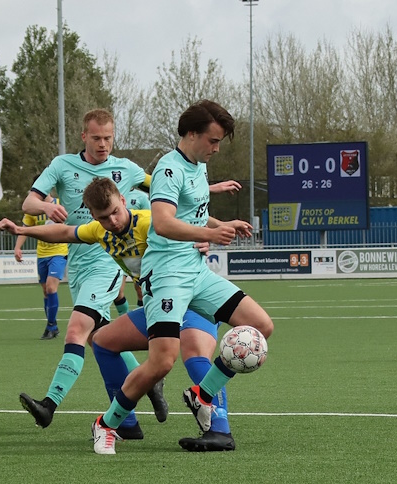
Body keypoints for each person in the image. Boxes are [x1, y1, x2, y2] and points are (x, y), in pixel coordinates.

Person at [0, 177, 237, 451]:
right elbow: (64, 233)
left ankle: (219, 429)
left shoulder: (148, 223)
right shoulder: (100, 232)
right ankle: (125, 422)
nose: (112, 221)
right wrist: (22, 230)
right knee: (103, 341)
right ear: (94, 217)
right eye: (103, 217)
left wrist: (205, 240)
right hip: (157, 306)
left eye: (114, 212)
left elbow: (185, 224)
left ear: (123, 201)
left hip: (190, 299)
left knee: (194, 353)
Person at [91, 99, 273, 455]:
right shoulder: (169, 169)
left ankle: (202, 394)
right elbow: (163, 222)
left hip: (195, 270)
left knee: (260, 326)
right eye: (213, 140)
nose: (217, 148)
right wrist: (210, 236)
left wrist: (221, 225)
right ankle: (105, 424)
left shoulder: (197, 166)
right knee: (161, 362)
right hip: (167, 274)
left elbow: (194, 214)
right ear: (192, 134)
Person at [16, 108, 159, 439]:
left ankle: (49, 405)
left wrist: (210, 190)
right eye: (96, 138)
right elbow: (28, 203)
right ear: (84, 136)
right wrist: (47, 207)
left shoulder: (126, 169)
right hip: (78, 264)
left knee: (77, 330)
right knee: (102, 340)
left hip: (108, 260)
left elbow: (165, 187)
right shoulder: (62, 166)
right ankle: (143, 391)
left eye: (108, 138)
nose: (103, 144)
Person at [15, 178, 69, 340]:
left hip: (59, 251)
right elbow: (26, 229)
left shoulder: (61, 203)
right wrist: (18, 247)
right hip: (42, 254)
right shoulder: (33, 209)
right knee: (46, 291)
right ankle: (52, 325)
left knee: (52, 288)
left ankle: (51, 326)